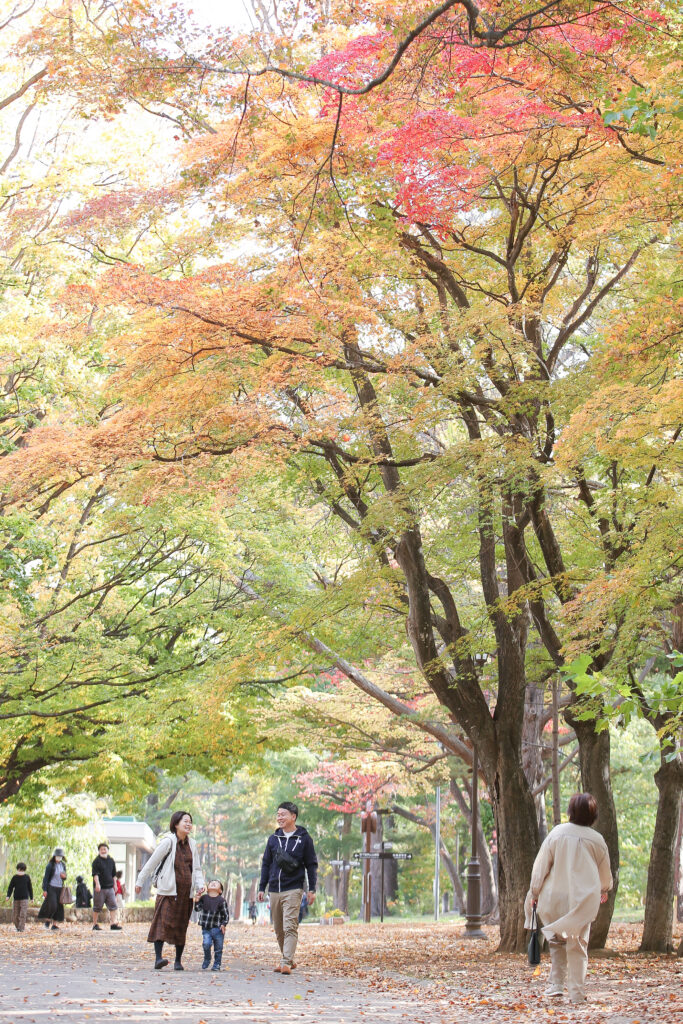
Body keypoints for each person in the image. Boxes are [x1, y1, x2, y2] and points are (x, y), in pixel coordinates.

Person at [525, 792, 613, 1004]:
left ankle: (555, 985)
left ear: (571, 811)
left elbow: (540, 867)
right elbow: (604, 874)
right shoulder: (597, 840)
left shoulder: (556, 833)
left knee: (556, 942)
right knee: (578, 944)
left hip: (553, 897)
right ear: (593, 814)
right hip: (581, 900)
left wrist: (534, 893)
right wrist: (604, 890)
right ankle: (576, 993)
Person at [134, 810, 205, 971]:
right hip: (168, 891)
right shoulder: (168, 842)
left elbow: (197, 868)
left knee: (181, 926)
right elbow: (152, 862)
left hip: (185, 893)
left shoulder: (192, 844)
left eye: (190, 822)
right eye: (185, 821)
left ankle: (178, 961)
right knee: (162, 923)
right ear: (175, 824)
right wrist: (140, 881)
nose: (188, 824)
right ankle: (158, 958)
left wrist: (200, 885)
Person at [257, 801, 317, 975]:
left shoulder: (304, 838)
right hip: (275, 889)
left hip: (294, 888)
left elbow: (311, 864)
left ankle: (285, 962)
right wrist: (262, 887)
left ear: (293, 816)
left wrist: (311, 888)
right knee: (279, 928)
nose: (279, 817)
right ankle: (289, 958)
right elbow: (266, 864)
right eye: (278, 815)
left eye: (283, 814)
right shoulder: (273, 839)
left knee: (290, 925)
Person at [196, 879, 229, 971]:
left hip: (218, 929)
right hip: (206, 928)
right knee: (206, 944)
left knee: (218, 948)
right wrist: (197, 899)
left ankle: (217, 964)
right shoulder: (204, 898)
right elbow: (197, 909)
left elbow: (225, 915)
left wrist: (223, 924)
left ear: (220, 891)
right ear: (207, 888)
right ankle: (207, 958)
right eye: (211, 883)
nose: (213, 883)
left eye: (217, 883)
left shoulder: (221, 901)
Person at [92, 842, 122, 931]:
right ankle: (94, 924)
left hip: (110, 888)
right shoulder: (96, 861)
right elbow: (95, 874)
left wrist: (115, 884)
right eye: (101, 849)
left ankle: (113, 923)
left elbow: (114, 874)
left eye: (105, 849)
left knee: (113, 905)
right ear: (99, 851)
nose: (103, 851)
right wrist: (97, 884)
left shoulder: (111, 860)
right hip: (100, 888)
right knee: (97, 907)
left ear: (108, 850)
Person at [38, 847, 67, 931]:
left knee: (58, 906)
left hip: (60, 888)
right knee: (53, 905)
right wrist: (45, 889)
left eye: (60, 856)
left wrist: (64, 877)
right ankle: (47, 920)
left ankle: (54, 924)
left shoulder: (63, 865)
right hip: (51, 887)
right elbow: (46, 878)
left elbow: (64, 877)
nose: (59, 857)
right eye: (57, 856)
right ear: (54, 856)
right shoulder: (50, 865)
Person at [6, 862, 33, 932]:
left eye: (22, 870)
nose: (20, 871)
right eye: (19, 870)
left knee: (23, 913)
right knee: (15, 915)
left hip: (24, 898)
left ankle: (21, 928)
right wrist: (8, 896)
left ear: (24, 870)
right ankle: (18, 927)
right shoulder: (14, 877)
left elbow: (30, 888)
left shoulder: (27, 877)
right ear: (17, 869)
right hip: (16, 899)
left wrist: (32, 898)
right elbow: (10, 887)